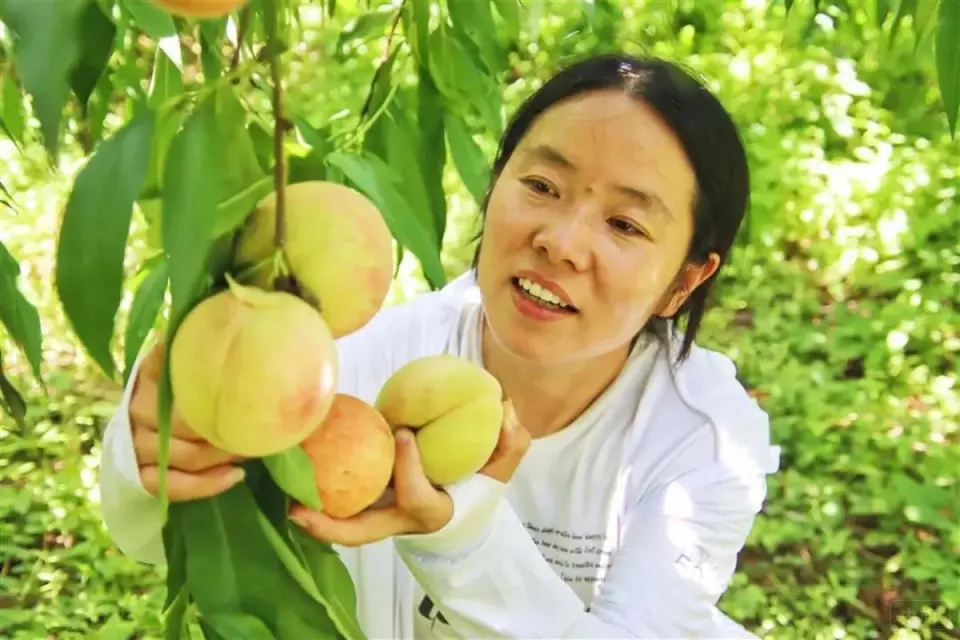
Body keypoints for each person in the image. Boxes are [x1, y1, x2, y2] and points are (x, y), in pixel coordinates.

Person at [97, 52, 781, 639]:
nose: (560, 242)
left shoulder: (703, 443)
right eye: (541, 186)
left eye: (626, 224)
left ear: (685, 282)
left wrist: (457, 533)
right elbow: (155, 540)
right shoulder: (352, 361)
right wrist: (147, 454)